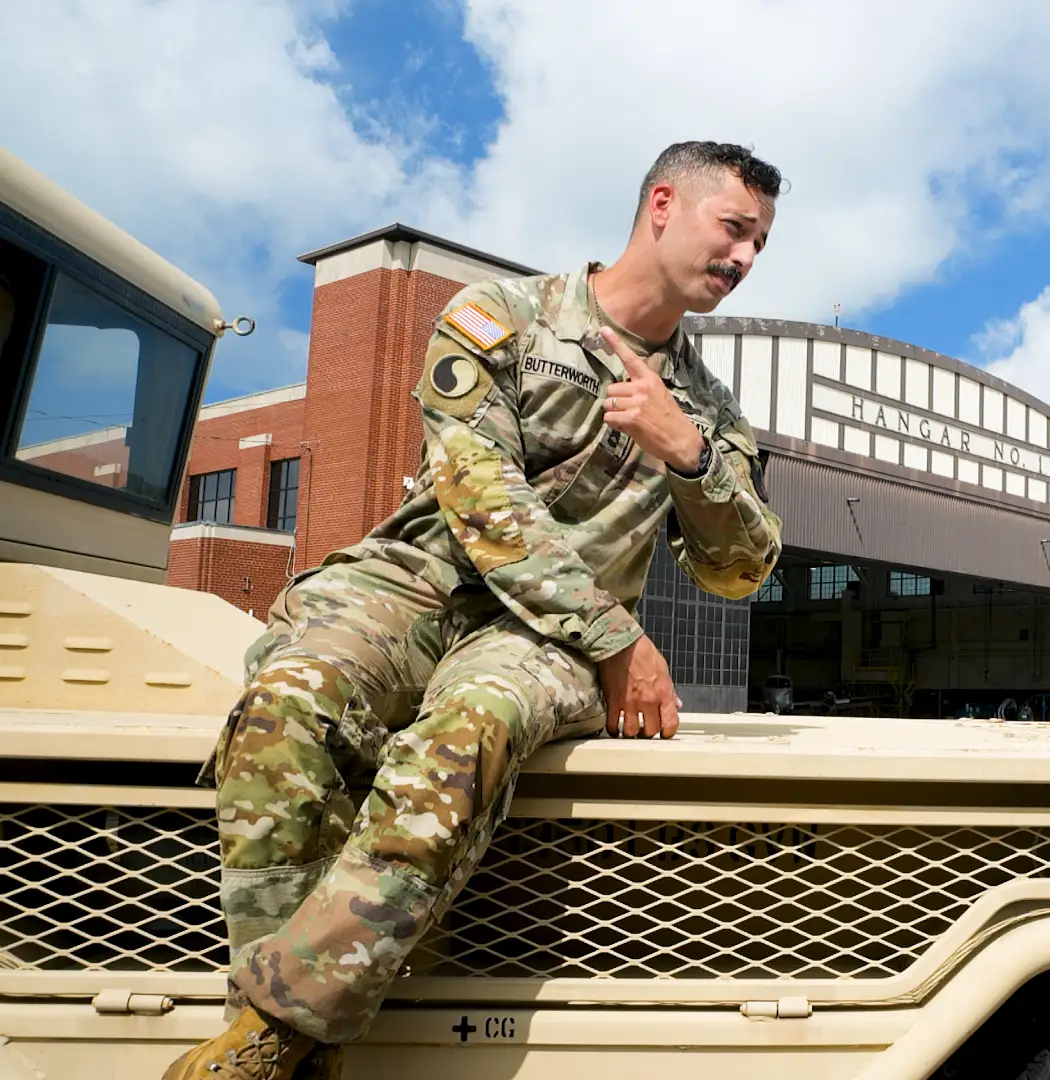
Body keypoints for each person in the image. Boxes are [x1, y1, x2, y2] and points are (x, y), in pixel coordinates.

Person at [165, 141, 787, 1080]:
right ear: (662, 204)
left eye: (761, 245)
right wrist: (620, 636)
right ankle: (296, 1033)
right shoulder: (500, 317)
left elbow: (743, 569)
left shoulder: (706, 406)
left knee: (469, 731)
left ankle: (279, 1039)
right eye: (735, 229)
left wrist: (686, 453)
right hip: (421, 586)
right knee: (286, 701)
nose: (745, 259)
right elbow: (478, 492)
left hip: (542, 639)